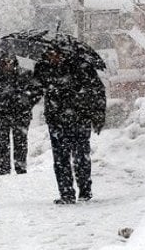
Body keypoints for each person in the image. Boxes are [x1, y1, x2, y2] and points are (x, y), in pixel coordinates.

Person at [34, 46, 106, 204]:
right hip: (56, 120)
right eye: (50, 54)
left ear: (64, 53)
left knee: (81, 157)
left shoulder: (81, 66)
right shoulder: (43, 68)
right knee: (60, 159)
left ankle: (85, 191)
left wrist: (98, 115)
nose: (53, 57)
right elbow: (35, 90)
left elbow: (98, 90)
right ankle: (66, 193)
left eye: (56, 54)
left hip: (79, 119)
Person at [0, 51, 42, 176]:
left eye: (10, 61)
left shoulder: (26, 75)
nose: (7, 65)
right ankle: (4, 167)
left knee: (20, 141)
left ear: (14, 62)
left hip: (21, 114)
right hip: (1, 114)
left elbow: (37, 91)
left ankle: (20, 166)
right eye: (4, 62)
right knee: (2, 142)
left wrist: (27, 102)